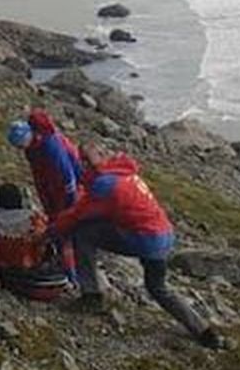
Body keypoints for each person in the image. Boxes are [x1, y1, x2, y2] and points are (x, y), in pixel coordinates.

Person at [48, 147, 224, 348]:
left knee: (84, 234)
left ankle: (92, 296)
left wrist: (49, 232)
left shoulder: (105, 184)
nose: (80, 165)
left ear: (88, 164)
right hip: (163, 235)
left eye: (83, 162)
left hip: (145, 240)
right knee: (159, 288)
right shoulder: (123, 173)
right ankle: (204, 332)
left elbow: (78, 214)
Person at [6, 109, 83, 218]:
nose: (20, 149)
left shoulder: (51, 148)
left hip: (65, 186)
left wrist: (69, 206)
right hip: (51, 184)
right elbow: (38, 176)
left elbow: (67, 177)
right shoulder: (32, 148)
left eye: (20, 146)